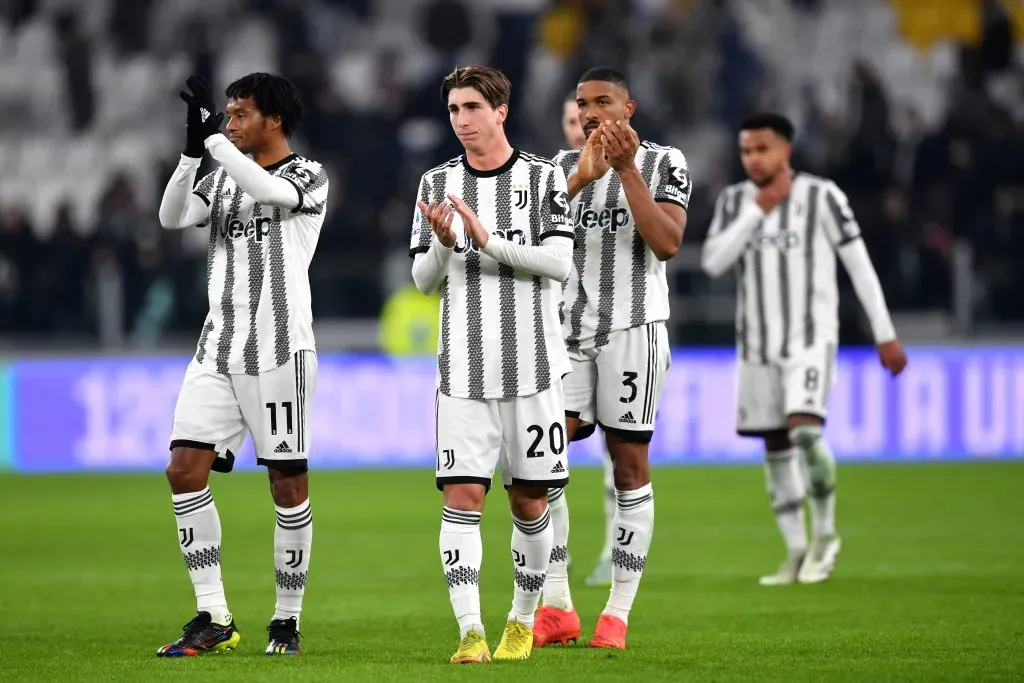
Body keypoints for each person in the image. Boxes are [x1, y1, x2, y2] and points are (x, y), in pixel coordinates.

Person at [155, 73, 329, 656]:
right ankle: (214, 615)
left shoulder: (309, 175)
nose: (229, 123)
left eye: (240, 114)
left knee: (287, 483)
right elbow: (172, 216)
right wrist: (191, 153)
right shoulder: (224, 177)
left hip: (280, 351)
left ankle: (286, 619)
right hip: (217, 347)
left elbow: (270, 192)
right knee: (184, 470)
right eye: (226, 114)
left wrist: (215, 144)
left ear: (273, 120)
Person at [410, 65, 574, 663]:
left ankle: (522, 622)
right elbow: (423, 281)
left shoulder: (543, 176)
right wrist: (443, 244)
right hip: (462, 374)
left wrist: (485, 240)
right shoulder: (436, 182)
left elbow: (560, 264)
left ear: (501, 110)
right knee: (461, 499)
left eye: (473, 107)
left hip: (533, 372)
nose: (462, 120)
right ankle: (470, 632)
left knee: (530, 503)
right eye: (454, 109)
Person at [701, 112, 907, 585]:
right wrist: (758, 210)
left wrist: (885, 332)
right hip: (757, 346)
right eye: (746, 151)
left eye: (762, 149)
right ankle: (795, 551)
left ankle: (826, 535)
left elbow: (860, 266)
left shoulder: (823, 196)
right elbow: (713, 262)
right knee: (775, 445)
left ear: (786, 150)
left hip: (811, 340)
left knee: (806, 432)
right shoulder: (735, 201)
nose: (753, 159)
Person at [535, 67, 690, 651]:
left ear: (630, 108)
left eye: (603, 102)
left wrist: (626, 171)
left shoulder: (665, 162)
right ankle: (557, 604)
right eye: (582, 104)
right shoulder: (556, 169)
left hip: (634, 332)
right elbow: (523, 234)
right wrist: (581, 177)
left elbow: (667, 243)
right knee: (540, 462)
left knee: (627, 465)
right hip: (568, 335)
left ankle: (616, 614)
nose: (590, 113)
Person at [558, 89, 616, 588]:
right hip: (563, 337)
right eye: (574, 119)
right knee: (547, 451)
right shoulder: (551, 178)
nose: (583, 127)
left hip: (623, 332)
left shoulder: (639, 171)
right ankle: (555, 557)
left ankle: (615, 555)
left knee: (620, 456)